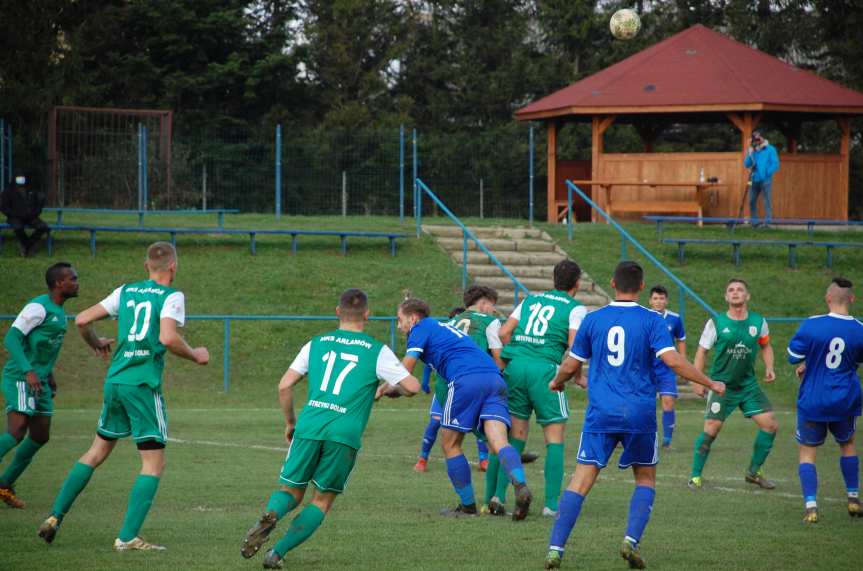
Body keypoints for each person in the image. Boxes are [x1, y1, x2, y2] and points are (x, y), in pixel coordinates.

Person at [543, 261, 724, 570]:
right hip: (639, 412)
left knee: (580, 480)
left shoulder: (593, 319)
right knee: (645, 478)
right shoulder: (652, 321)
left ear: (612, 283)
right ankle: (630, 541)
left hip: (601, 412)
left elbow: (572, 365)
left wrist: (557, 382)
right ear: (641, 287)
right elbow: (673, 361)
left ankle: (555, 549)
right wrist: (708, 382)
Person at [38, 242, 209, 550]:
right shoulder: (172, 296)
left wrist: (95, 343)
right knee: (154, 463)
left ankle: (54, 517)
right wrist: (195, 354)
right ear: (174, 266)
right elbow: (167, 337)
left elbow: (81, 320)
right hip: (141, 384)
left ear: (147, 266)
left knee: (96, 452)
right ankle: (128, 537)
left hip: (115, 381)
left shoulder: (125, 291)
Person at [240, 289, 419, 569]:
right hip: (344, 433)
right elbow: (413, 387)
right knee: (321, 501)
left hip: (309, 425)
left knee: (291, 491)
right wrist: (388, 389)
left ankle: (272, 513)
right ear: (367, 315)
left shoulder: (316, 343)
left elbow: (284, 385)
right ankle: (276, 554)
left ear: (338, 311)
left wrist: (290, 423)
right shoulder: (376, 350)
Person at [395, 297, 532, 519]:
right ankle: (521, 486)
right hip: (494, 378)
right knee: (499, 441)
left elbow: (404, 372)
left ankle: (468, 507)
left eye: (400, 320)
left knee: (450, 444)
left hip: (465, 380)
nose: (399, 326)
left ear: (412, 318)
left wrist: (381, 389)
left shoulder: (421, 327)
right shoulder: (442, 328)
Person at [489, 260, 586, 518]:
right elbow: (575, 347)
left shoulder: (530, 300)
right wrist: (578, 376)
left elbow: (504, 331)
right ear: (577, 284)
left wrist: (519, 354)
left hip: (517, 368)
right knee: (554, 438)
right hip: (545, 370)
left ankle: (499, 496)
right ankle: (551, 505)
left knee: (515, 436)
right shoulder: (576, 308)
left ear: (554, 279)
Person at [0, 263, 79, 508]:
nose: (77, 282)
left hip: (40, 380)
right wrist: (29, 371)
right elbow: (11, 338)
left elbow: (43, 347)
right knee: (17, 430)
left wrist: (49, 374)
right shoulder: (38, 307)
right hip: (21, 377)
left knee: (40, 436)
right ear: (59, 283)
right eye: (72, 279)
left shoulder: (59, 311)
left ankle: (4, 484)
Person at [688, 278, 778, 491]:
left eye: (740, 290)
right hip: (721, 386)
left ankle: (754, 472)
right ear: (726, 297)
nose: (735, 292)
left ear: (748, 296)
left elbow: (765, 346)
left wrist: (769, 367)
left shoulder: (758, 322)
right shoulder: (716, 323)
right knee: (711, 429)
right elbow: (702, 351)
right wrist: (698, 380)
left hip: (748, 386)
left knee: (770, 425)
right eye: (731, 290)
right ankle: (695, 476)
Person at [787, 277, 863, 522]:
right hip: (845, 398)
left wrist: (808, 363)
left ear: (827, 298)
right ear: (852, 299)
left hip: (814, 398)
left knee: (808, 452)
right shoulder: (860, 329)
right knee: (847, 444)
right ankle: (853, 499)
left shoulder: (812, 325)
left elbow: (792, 355)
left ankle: (811, 507)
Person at [414, 286, 504, 474]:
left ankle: (485, 460)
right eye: (493, 305)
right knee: (482, 421)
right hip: (469, 380)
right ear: (483, 303)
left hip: (445, 383)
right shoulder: (490, 321)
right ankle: (506, 455)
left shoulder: (449, 323)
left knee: (443, 426)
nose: (494, 310)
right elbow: (498, 358)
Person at [647, 285, 686, 449]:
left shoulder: (675, 319)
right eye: (655, 298)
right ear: (650, 301)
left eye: (661, 298)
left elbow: (681, 339)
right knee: (643, 404)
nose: (658, 301)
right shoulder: (644, 317)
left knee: (668, 402)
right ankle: (640, 438)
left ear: (666, 300)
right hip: (646, 367)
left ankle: (667, 442)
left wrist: (682, 361)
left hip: (666, 368)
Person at [0, 174, 49, 256]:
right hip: (14, 217)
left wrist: (35, 213)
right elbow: (3, 207)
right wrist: (13, 214)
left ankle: (26, 245)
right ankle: (28, 246)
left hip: (31, 217)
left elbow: (39, 204)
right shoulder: (8, 191)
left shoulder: (31, 190)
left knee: (43, 227)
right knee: (18, 228)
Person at [744, 130, 780, 228]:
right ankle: (754, 222)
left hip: (766, 180)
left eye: (758, 139)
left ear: (762, 138)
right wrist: (750, 152)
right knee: (751, 200)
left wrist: (766, 173)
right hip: (753, 179)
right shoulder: (753, 150)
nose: (757, 142)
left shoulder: (770, 149)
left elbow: (776, 164)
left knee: (766, 201)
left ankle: (767, 223)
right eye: (755, 140)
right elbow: (746, 164)